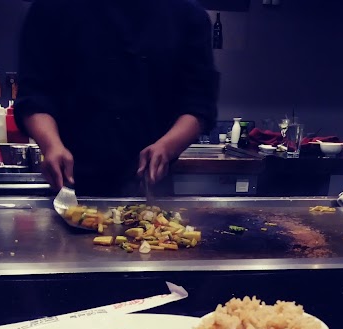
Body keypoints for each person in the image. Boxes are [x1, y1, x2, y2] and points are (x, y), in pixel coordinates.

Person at [14, 0, 219, 196]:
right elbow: (34, 95)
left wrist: (168, 146)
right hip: (72, 183)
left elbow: (199, 104)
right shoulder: (51, 8)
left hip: (151, 187)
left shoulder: (187, 14)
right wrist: (51, 145)